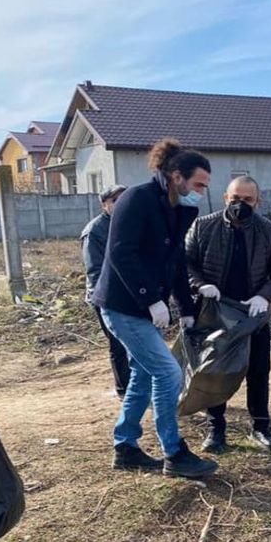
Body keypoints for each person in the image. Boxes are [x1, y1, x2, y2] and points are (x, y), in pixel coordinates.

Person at [91, 138, 219, 479]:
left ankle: (125, 447)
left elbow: (175, 260)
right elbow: (121, 254)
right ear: (177, 176)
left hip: (146, 308)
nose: (202, 192)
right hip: (122, 305)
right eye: (198, 184)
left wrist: (186, 307)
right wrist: (150, 298)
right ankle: (174, 453)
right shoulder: (136, 199)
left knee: (145, 374)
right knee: (167, 373)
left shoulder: (181, 209)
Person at [185, 176, 271, 452]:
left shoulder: (268, 230)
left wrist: (264, 296)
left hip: (252, 313)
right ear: (226, 198)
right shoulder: (203, 226)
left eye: (247, 199)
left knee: (258, 370)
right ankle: (216, 429)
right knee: (213, 370)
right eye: (235, 199)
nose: (240, 204)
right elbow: (184, 264)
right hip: (215, 312)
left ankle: (261, 428)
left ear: (257, 201)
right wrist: (200, 285)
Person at [81, 184, 130, 398]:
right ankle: (123, 389)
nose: (120, 204)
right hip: (107, 296)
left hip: (131, 294)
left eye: (124, 199)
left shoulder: (130, 223)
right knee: (118, 343)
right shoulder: (95, 231)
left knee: (135, 342)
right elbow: (95, 269)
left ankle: (137, 387)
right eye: (114, 201)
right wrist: (110, 297)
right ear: (104, 205)